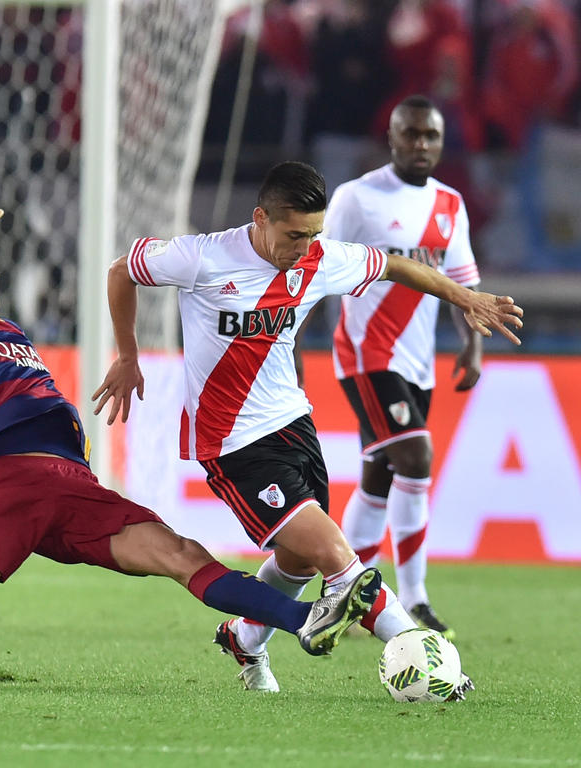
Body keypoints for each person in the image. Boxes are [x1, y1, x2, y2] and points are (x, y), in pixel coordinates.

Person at [0, 176, 382, 684]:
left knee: (180, 554)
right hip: (10, 489)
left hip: (73, 488)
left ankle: (305, 622)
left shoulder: (6, 327)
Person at [94, 160, 521, 694]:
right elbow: (120, 271)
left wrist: (467, 298)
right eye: (294, 235)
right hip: (231, 440)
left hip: (294, 424)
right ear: (261, 218)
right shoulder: (201, 256)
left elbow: (394, 265)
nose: (304, 247)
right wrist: (128, 355)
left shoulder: (321, 259)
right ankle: (433, 663)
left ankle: (246, 639)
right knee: (339, 561)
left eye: (315, 234)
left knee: (296, 561)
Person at [325, 95, 480, 639]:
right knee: (416, 456)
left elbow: (463, 284)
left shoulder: (450, 204)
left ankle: (345, 593)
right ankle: (414, 599)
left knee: (380, 474)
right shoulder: (358, 198)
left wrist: (472, 346)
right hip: (367, 354)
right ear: (390, 137)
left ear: (441, 141)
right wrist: (291, 341)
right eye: (410, 134)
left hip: (418, 363)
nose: (420, 144)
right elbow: (312, 268)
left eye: (430, 136)